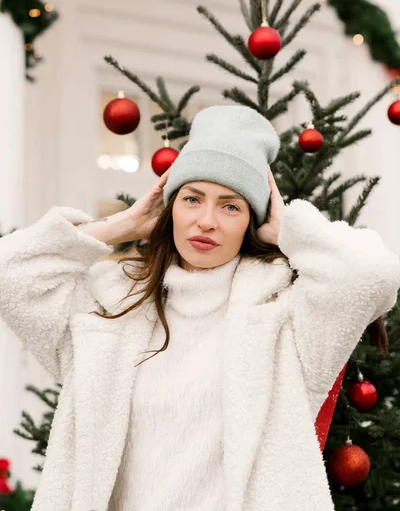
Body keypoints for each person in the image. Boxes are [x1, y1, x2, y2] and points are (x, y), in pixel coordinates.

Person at [0, 105, 399, 511]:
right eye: (192, 199)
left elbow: (371, 275)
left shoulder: (284, 316)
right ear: (169, 206)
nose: (206, 220)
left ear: (252, 221)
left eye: (230, 206)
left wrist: (288, 229)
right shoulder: (109, 308)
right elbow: (9, 274)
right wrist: (123, 225)